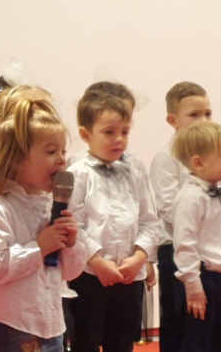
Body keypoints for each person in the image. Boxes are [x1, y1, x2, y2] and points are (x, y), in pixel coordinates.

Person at [0, 98, 86, 352]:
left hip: (50, 327)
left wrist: (70, 244)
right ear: (16, 159)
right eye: (51, 151)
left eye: (63, 152)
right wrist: (39, 247)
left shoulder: (50, 207)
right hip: (9, 329)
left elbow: (70, 273)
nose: (61, 161)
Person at [67, 91, 159, 352]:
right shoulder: (77, 174)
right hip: (90, 275)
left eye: (125, 132)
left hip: (130, 276)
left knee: (122, 342)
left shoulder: (134, 173)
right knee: (85, 341)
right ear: (86, 135)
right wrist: (97, 262)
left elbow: (150, 221)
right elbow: (73, 226)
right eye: (109, 132)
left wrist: (140, 257)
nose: (119, 139)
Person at [171, 121, 221, 352]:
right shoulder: (191, 198)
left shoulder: (217, 195)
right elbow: (185, 245)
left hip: (217, 282)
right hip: (201, 281)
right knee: (198, 343)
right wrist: (194, 288)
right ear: (199, 163)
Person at [149, 81, 212, 352]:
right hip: (175, 249)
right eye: (194, 115)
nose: (204, 121)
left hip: (205, 247)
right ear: (173, 120)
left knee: (203, 324)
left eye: (208, 113)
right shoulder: (167, 157)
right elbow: (167, 208)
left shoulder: (208, 155)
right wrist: (201, 223)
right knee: (180, 323)